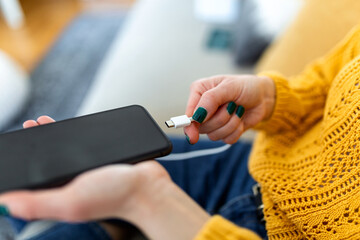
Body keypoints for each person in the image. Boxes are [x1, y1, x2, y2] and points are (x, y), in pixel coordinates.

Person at [1, 23, 360, 240]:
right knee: (52, 173)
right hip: (259, 165)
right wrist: (273, 97)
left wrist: (146, 200)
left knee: (55, 193)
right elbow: (329, 75)